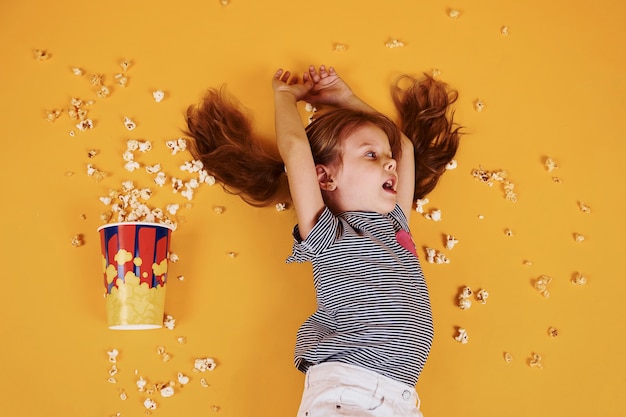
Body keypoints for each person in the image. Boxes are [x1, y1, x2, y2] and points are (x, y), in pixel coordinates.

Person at [185, 64, 461, 417]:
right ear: (324, 177)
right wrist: (284, 98)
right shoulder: (329, 233)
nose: (391, 164)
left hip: (390, 395)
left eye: (387, 158)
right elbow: (295, 148)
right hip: (353, 390)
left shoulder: (394, 223)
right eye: (371, 155)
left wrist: (347, 100)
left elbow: (402, 146)